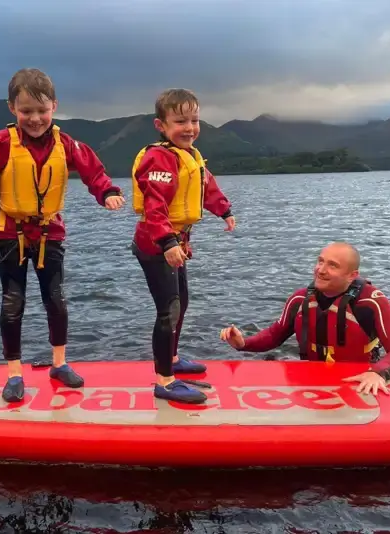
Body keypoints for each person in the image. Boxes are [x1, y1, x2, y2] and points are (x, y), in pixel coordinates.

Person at [0, 68, 125, 403]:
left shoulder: (66, 143)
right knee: (13, 303)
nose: (36, 118)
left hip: (49, 232)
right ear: (13, 108)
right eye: (27, 111)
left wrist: (107, 193)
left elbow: (93, 171)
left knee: (56, 299)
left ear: (54, 106)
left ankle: (59, 363)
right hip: (9, 234)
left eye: (42, 110)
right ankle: (15, 372)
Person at [131, 88, 237, 405]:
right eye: (180, 121)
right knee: (169, 310)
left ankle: (173, 358)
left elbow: (207, 186)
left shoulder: (190, 156)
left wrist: (225, 210)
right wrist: (166, 241)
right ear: (161, 125)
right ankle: (164, 381)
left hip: (177, 241)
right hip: (155, 243)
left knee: (182, 302)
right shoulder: (159, 158)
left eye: (194, 119)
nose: (189, 127)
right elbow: (154, 205)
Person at [219, 242, 390, 395]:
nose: (320, 270)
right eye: (320, 261)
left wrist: (378, 373)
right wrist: (243, 343)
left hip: (359, 379)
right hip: (314, 380)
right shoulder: (300, 299)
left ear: (352, 275)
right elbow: (274, 335)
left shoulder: (371, 302)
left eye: (332, 265)